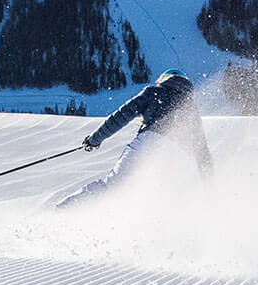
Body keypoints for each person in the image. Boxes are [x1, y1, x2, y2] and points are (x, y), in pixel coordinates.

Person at [57, 69, 215, 206]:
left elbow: (120, 117)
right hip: (172, 154)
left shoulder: (154, 92)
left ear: (163, 80)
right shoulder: (190, 107)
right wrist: (210, 187)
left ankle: (65, 209)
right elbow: (202, 150)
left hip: (151, 142)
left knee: (113, 186)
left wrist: (94, 140)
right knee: (153, 198)